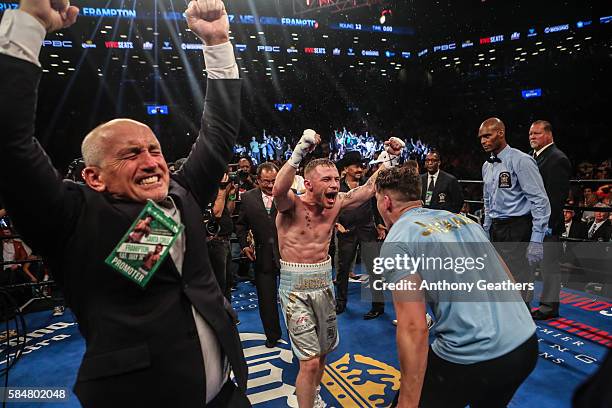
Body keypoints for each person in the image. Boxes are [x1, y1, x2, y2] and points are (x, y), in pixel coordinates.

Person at [0, 1, 249, 406]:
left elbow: (219, 131)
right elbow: (9, 144)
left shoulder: (182, 194)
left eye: (154, 149)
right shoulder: (71, 218)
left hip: (226, 395)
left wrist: (218, 42)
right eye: (130, 154)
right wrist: (31, 24)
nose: (151, 161)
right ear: (93, 176)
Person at [374, 166, 538, 408]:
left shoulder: (398, 239)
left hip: (472, 355)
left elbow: (413, 328)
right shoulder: (465, 220)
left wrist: (408, 403)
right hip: (525, 344)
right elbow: (510, 281)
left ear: (386, 202)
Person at [273, 130, 403, 408]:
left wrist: (390, 158)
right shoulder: (291, 205)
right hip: (295, 290)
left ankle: (313, 396)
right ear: (308, 183)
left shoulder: (337, 203)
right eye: (327, 180)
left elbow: (368, 189)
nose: (335, 184)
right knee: (308, 363)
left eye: (335, 179)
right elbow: (277, 190)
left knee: (322, 354)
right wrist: (299, 152)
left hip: (323, 283)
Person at [479, 117, 551, 306]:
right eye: (481, 138)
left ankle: (524, 327)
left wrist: (537, 238)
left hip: (517, 227)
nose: (483, 141)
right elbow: (487, 200)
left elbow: (539, 200)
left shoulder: (521, 160)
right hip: (496, 227)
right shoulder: (486, 166)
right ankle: (507, 324)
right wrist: (487, 228)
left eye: (487, 135)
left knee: (519, 280)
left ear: (500, 133)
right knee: (498, 278)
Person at [235, 162, 283, 348]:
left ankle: (299, 336)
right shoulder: (247, 198)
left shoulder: (287, 194)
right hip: (261, 256)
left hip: (288, 255)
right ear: (258, 180)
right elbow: (241, 225)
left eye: (274, 181)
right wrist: (244, 245)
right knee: (266, 300)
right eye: (266, 182)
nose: (271, 186)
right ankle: (272, 335)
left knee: (294, 300)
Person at [528, 120, 571, 320]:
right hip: (531, 222)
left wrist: (545, 226)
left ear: (548, 135)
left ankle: (549, 307)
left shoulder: (557, 158)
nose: (532, 137)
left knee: (549, 267)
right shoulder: (531, 157)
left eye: (536, 133)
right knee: (528, 266)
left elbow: (556, 198)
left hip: (547, 224)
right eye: (530, 134)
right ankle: (526, 303)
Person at [334, 151, 386, 319]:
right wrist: (336, 223)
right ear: (346, 168)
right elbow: (330, 208)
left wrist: (379, 225)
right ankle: (340, 303)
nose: (359, 169)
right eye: (356, 166)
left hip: (367, 229)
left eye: (361, 166)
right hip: (346, 232)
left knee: (374, 269)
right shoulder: (336, 187)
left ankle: (378, 306)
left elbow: (376, 204)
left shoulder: (368, 185)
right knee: (343, 270)